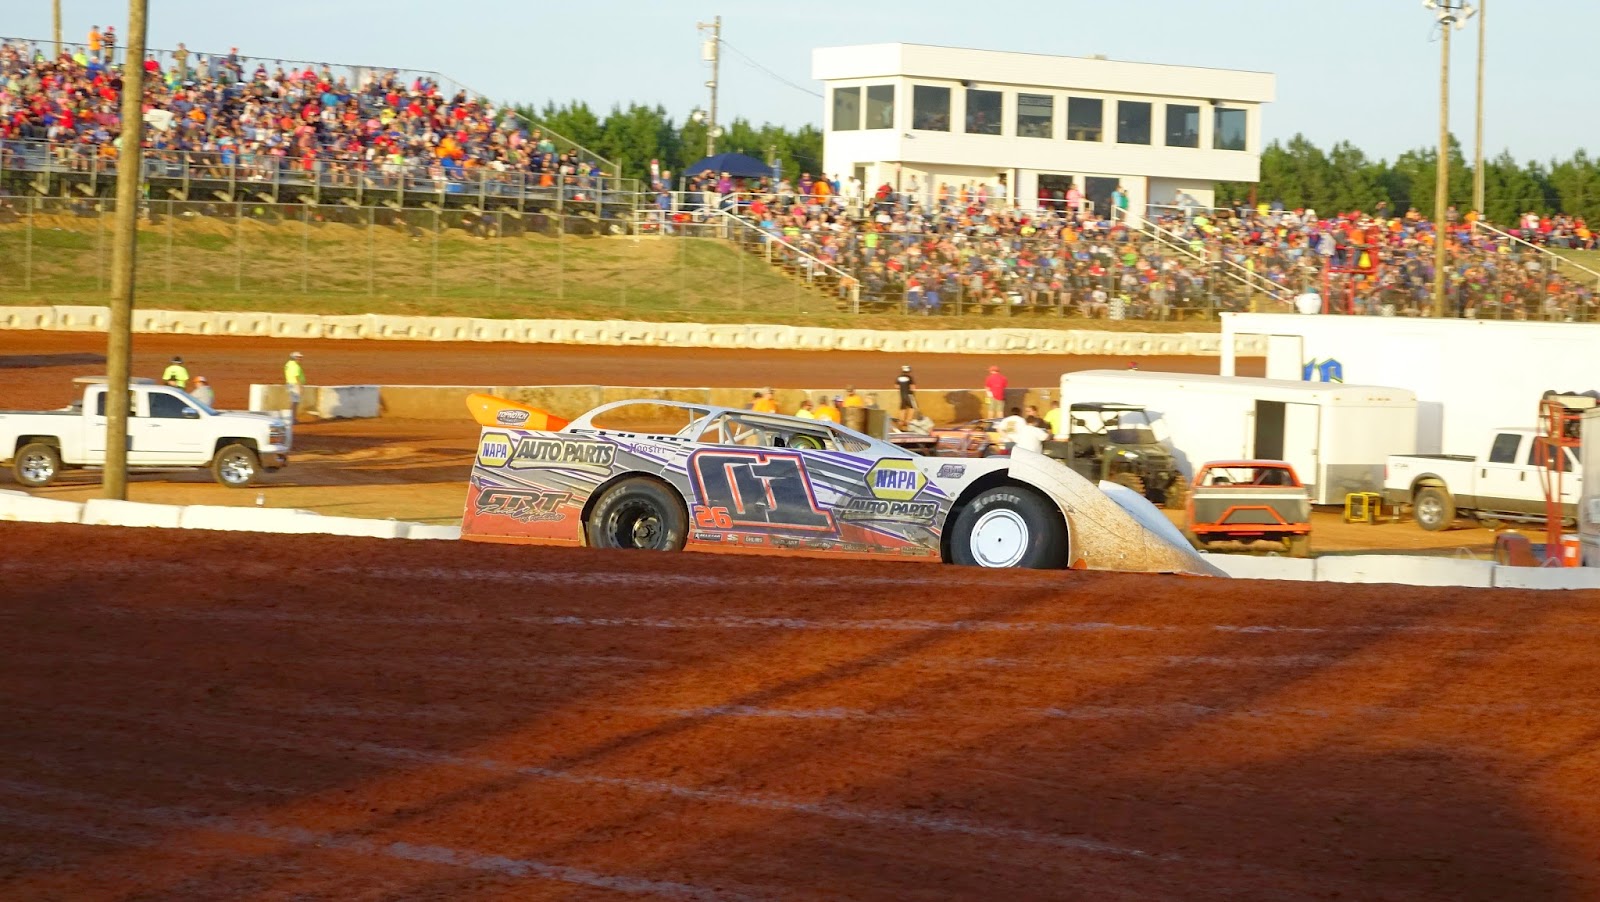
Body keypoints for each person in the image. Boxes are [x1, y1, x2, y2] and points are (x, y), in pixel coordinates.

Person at [284, 351, 306, 423]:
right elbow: (296, 377)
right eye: (299, 357)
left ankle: (291, 418)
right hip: (294, 385)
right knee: (295, 402)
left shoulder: (288, 364)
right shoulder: (295, 366)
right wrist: (300, 387)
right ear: (294, 358)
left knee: (293, 402)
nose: (300, 359)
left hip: (290, 384)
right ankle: (292, 418)